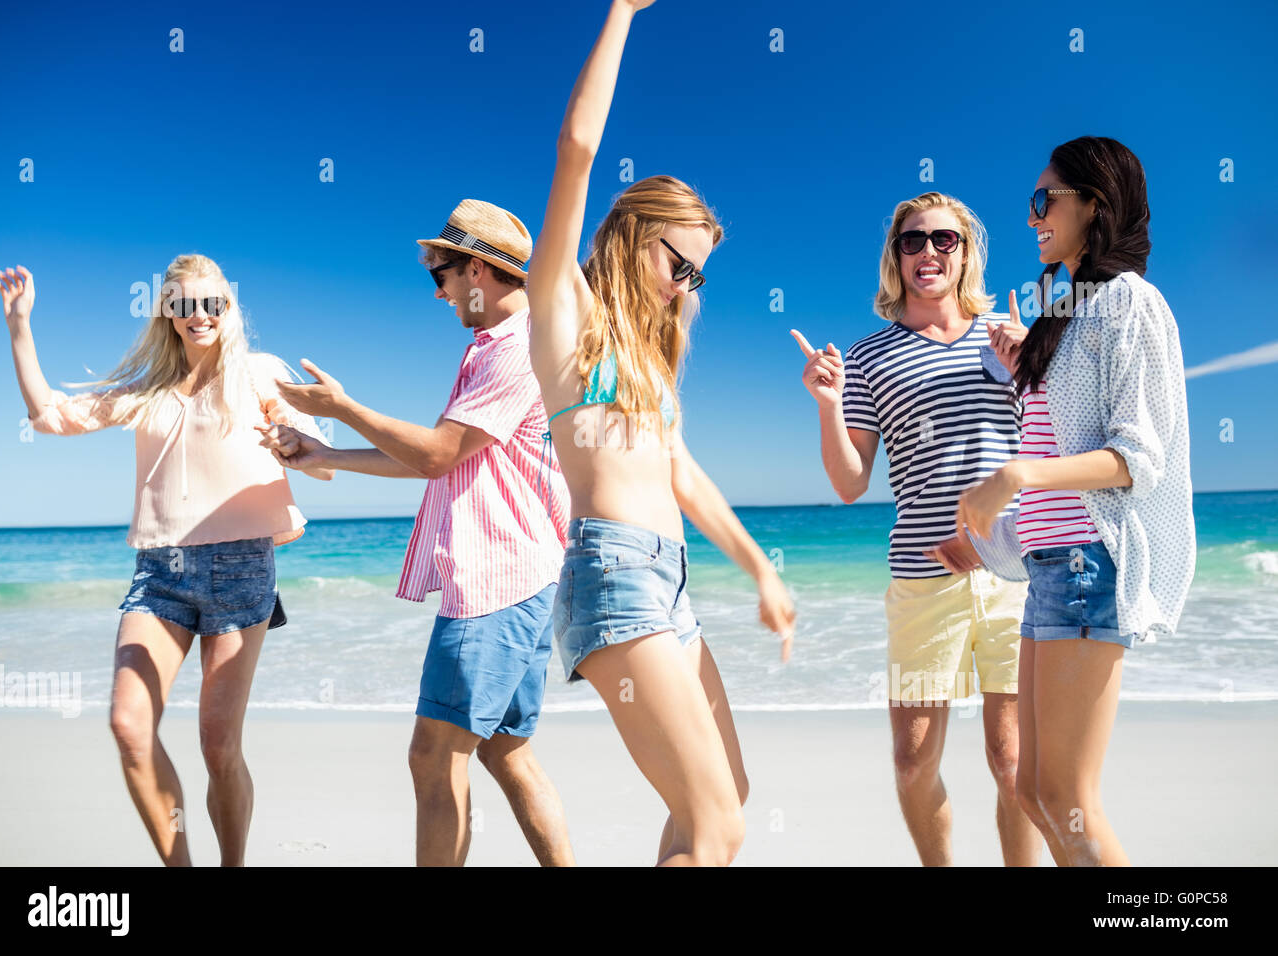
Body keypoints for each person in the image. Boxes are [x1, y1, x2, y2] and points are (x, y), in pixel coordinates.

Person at [525, 0, 796, 868]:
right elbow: (575, 151)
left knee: (723, 803)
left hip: (669, 586)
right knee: (718, 824)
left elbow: (680, 470)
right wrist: (623, 14)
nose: (684, 288)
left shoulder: (649, 357)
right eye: (677, 264)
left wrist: (759, 568)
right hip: (613, 578)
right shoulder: (564, 310)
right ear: (632, 232)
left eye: (697, 278)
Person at [263, 199, 576, 867]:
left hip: (496, 583)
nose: (437, 292)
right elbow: (445, 458)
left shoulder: (512, 352)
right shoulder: (506, 348)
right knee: (505, 750)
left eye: (440, 274)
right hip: (525, 580)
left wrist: (342, 408)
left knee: (434, 759)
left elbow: (436, 453)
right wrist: (325, 456)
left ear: (478, 271)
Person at [0, 254, 333, 865]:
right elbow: (49, 418)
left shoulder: (259, 374)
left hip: (242, 568)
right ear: (168, 314)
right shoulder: (146, 391)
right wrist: (20, 327)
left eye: (211, 303)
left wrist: (293, 444)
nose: (198, 315)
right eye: (183, 305)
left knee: (218, 747)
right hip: (160, 574)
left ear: (228, 309)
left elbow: (325, 457)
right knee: (129, 727)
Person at [959, 136, 1195, 866]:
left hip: (1091, 566)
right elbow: (1064, 420)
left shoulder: (1129, 302)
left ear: (1097, 204)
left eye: (1045, 199)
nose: (1033, 216)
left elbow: (1135, 458)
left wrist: (1019, 478)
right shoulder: (1070, 313)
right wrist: (1025, 363)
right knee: (1033, 789)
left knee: (1065, 796)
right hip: (1053, 571)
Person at [793, 190, 1042, 866]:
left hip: (1016, 576)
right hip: (922, 578)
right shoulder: (870, 357)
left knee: (1012, 757)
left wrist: (1033, 370)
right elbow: (849, 485)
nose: (928, 252)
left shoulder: (1009, 336)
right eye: (912, 240)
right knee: (910, 761)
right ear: (894, 257)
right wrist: (826, 403)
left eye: (944, 240)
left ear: (966, 253)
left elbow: (1050, 456)